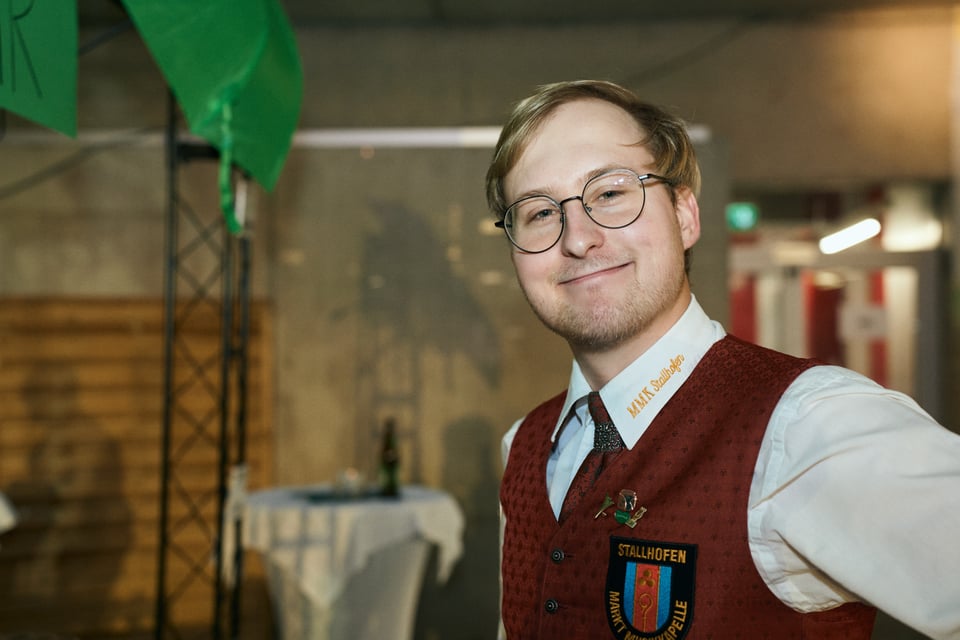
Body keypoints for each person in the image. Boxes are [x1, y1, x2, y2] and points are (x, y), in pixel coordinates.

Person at [486, 79, 960, 639]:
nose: (578, 238)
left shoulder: (806, 428)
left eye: (610, 193)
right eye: (540, 212)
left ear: (685, 215)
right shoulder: (526, 445)